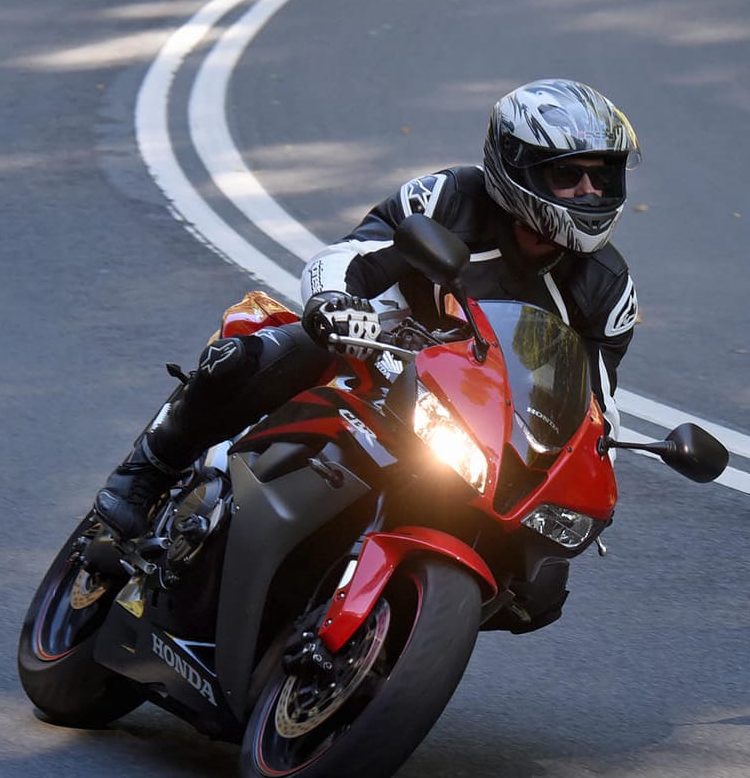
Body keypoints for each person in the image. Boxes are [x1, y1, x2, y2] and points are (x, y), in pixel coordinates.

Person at [94, 78, 641, 541]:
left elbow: (592, 409)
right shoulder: (447, 200)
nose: (589, 192)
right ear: (516, 167)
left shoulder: (607, 289)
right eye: (567, 176)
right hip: (374, 352)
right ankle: (150, 466)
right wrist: (335, 305)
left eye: (602, 177)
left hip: (472, 414)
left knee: (539, 587)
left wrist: (591, 481)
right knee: (242, 360)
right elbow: (350, 258)